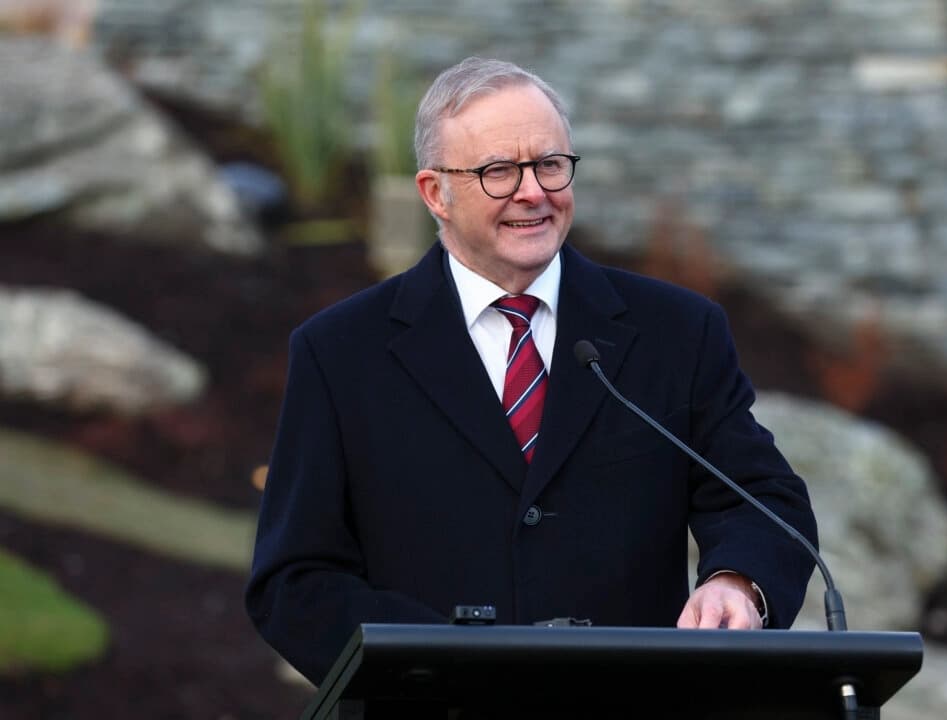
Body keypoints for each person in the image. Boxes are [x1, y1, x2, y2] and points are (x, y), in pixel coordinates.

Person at [245, 57, 818, 686]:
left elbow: (762, 499)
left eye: (549, 164)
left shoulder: (676, 332)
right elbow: (295, 581)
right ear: (436, 193)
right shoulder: (340, 353)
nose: (533, 191)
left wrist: (737, 581)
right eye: (498, 171)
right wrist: (437, 665)